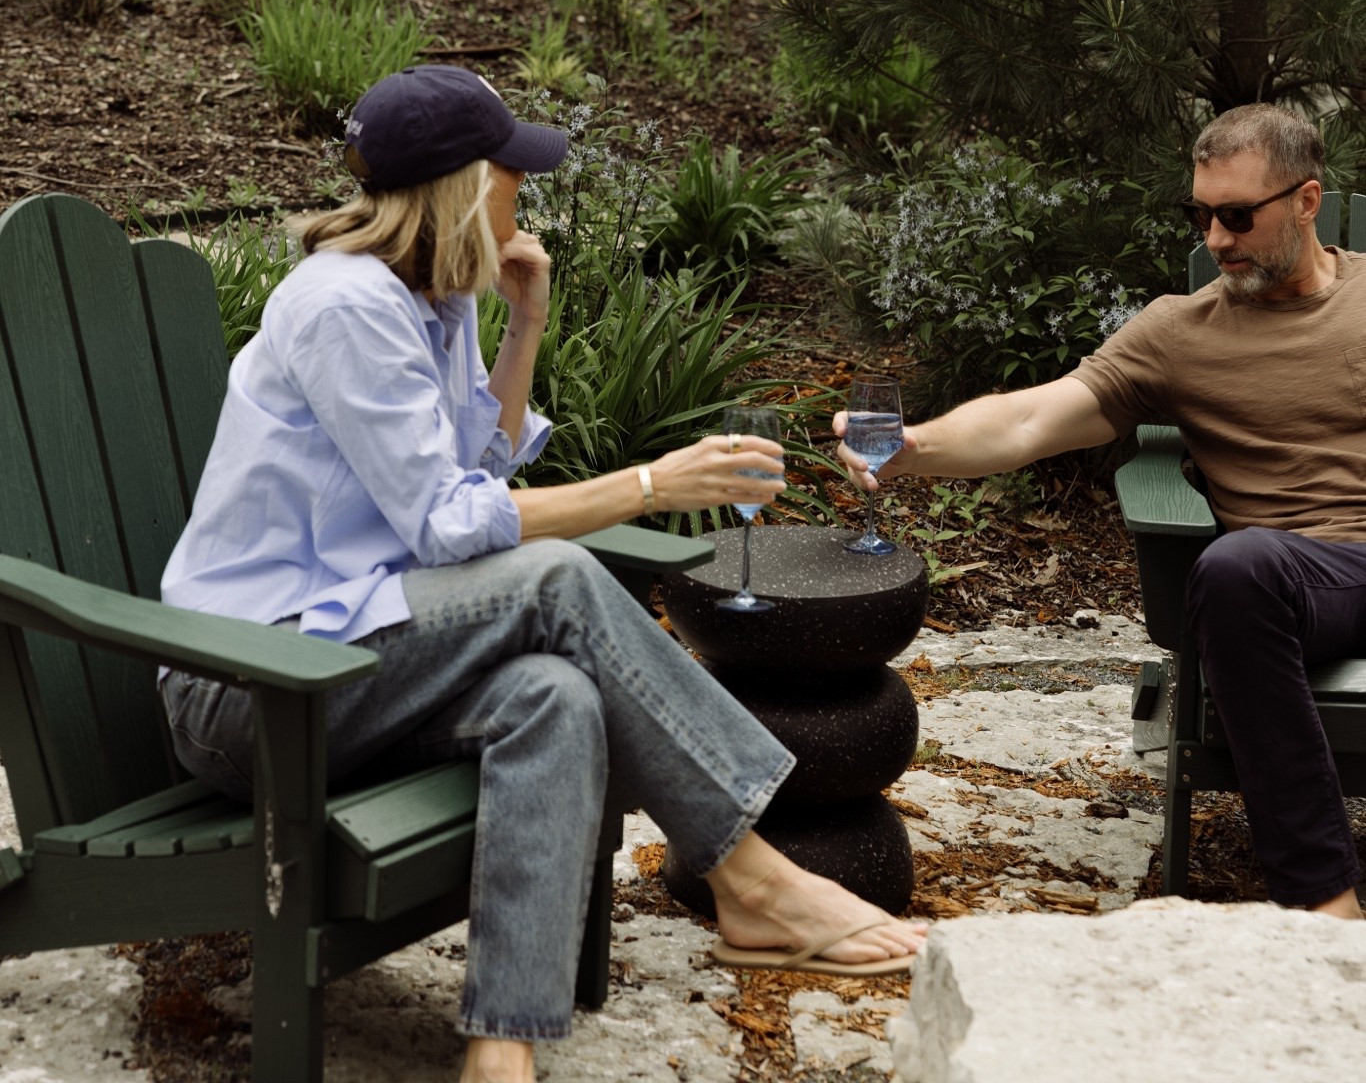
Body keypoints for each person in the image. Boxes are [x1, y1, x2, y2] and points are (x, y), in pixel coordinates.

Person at [160, 66, 924, 1083]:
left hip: (361, 653)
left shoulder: (432, 297)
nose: (527, 186)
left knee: (553, 696)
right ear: (466, 184)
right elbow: (448, 528)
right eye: (512, 168)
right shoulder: (344, 305)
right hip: (248, 682)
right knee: (556, 577)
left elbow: (477, 474)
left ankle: (501, 1041)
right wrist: (650, 482)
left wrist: (521, 323)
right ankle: (752, 872)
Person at [838, 102, 1366, 921]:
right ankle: (1326, 911)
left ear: (1307, 202)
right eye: (1201, 215)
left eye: (1236, 215)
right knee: (1235, 568)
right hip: (1303, 579)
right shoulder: (1178, 334)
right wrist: (916, 448)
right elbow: (1031, 418)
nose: (1215, 240)